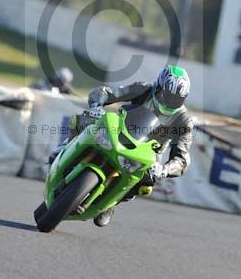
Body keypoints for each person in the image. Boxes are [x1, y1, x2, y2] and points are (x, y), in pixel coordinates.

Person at [50, 65, 194, 228]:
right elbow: (104, 93)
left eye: (176, 99)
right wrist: (97, 106)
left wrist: (164, 169)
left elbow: (182, 159)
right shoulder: (143, 89)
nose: (169, 101)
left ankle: (113, 202)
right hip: (118, 130)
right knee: (83, 120)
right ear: (158, 87)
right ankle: (63, 147)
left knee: (146, 185)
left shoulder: (184, 120)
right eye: (167, 95)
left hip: (147, 152)